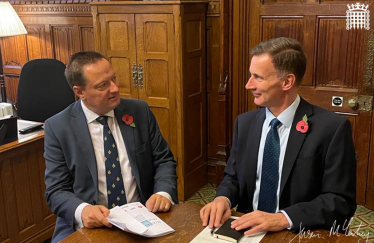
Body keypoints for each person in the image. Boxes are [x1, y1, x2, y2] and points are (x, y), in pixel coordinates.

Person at [200, 37, 356, 235]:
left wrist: (282, 218)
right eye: (250, 75)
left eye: (258, 77)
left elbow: (340, 201)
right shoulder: (245, 123)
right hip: (248, 231)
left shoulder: (332, 128)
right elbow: (233, 177)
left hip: (298, 233)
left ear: (287, 82)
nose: (248, 85)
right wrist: (223, 198)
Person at [44, 51, 178, 242]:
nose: (115, 89)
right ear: (80, 92)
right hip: (91, 223)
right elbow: (56, 190)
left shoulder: (139, 112)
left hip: (144, 217)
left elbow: (163, 160)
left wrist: (163, 192)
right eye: (103, 85)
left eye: (113, 79)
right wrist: (83, 211)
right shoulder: (58, 127)